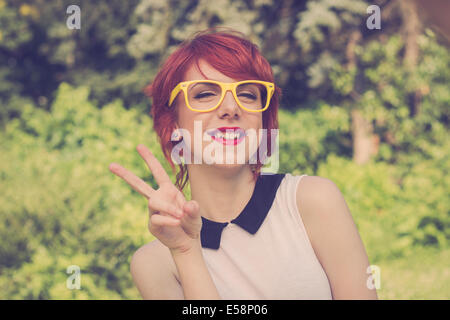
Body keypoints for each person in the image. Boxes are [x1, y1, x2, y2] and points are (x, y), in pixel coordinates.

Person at [109, 28, 378, 300]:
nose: (231, 107)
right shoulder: (154, 263)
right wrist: (187, 251)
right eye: (205, 94)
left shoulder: (313, 201)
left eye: (248, 94)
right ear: (174, 122)